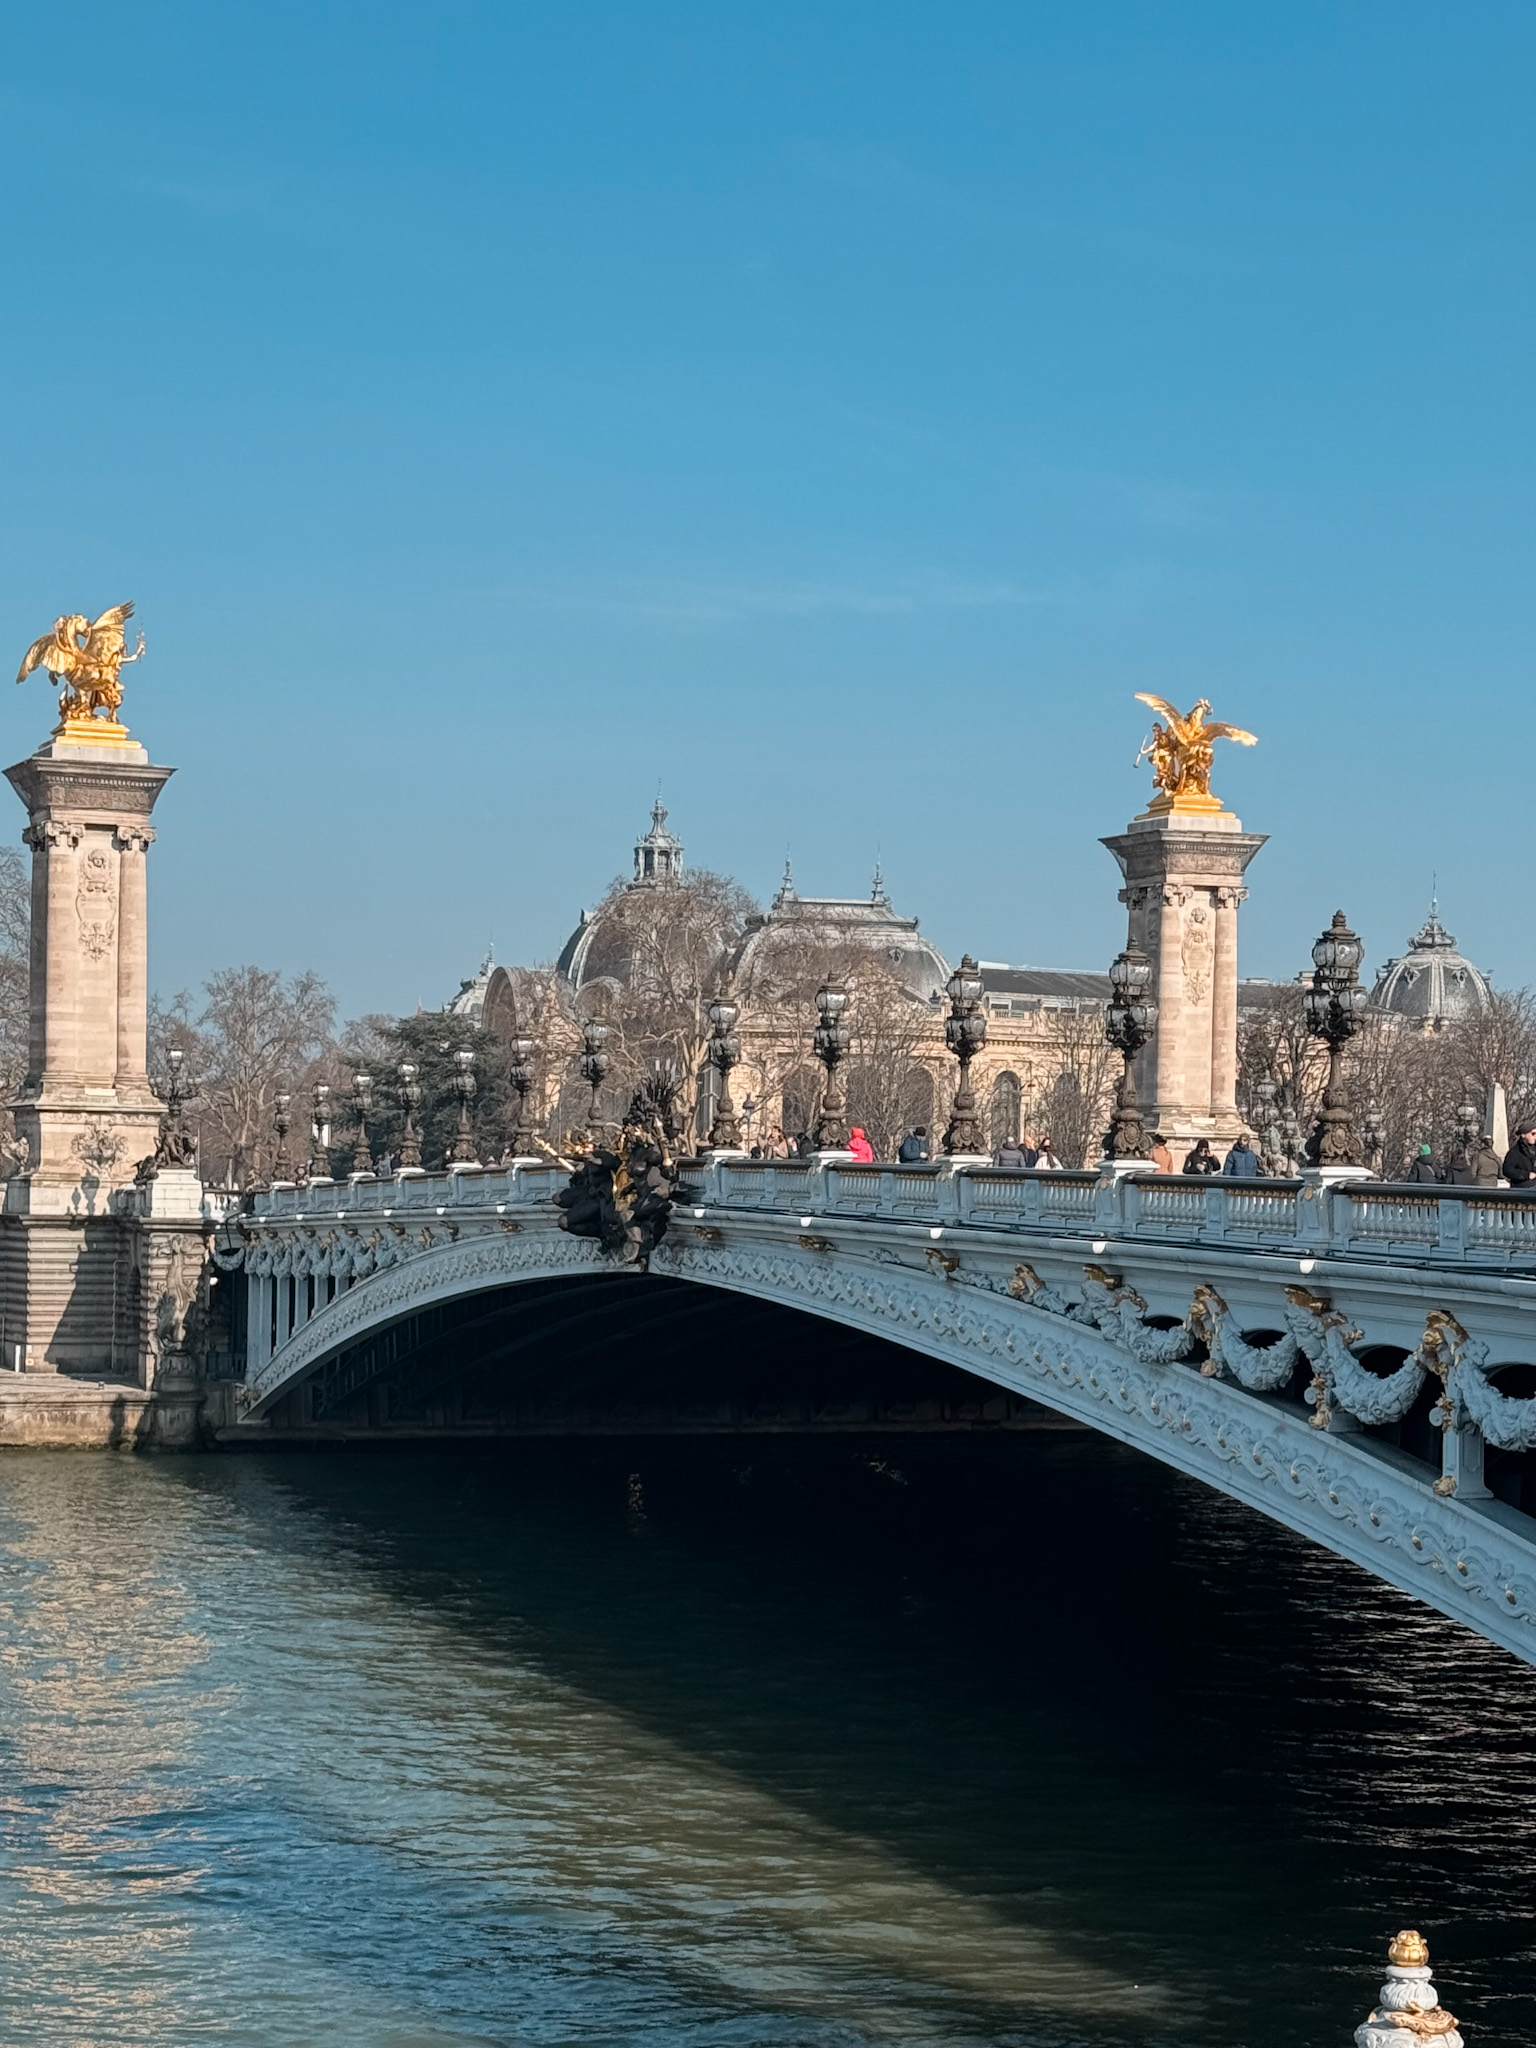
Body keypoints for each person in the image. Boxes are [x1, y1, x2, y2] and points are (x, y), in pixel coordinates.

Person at [1503, 1122, 1536, 1187]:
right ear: (1523, 1135)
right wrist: (1526, 1175)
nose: (1535, 1136)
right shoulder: (1515, 1152)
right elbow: (1507, 1170)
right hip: (1522, 1188)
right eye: (1533, 1134)